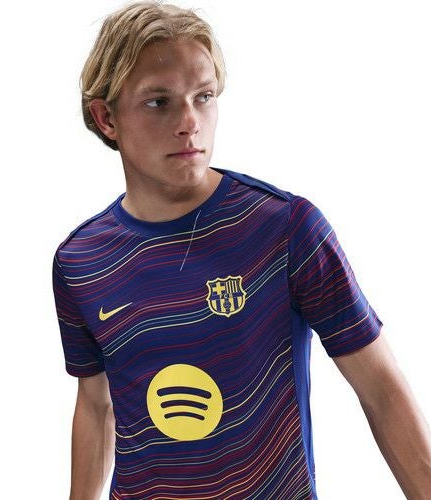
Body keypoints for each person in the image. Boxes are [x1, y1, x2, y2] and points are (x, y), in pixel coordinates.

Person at [51, 1, 431, 498]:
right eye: (159, 102)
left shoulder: (284, 229)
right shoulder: (81, 261)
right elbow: (95, 403)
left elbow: (381, 389)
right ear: (106, 118)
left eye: (204, 96)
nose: (190, 122)